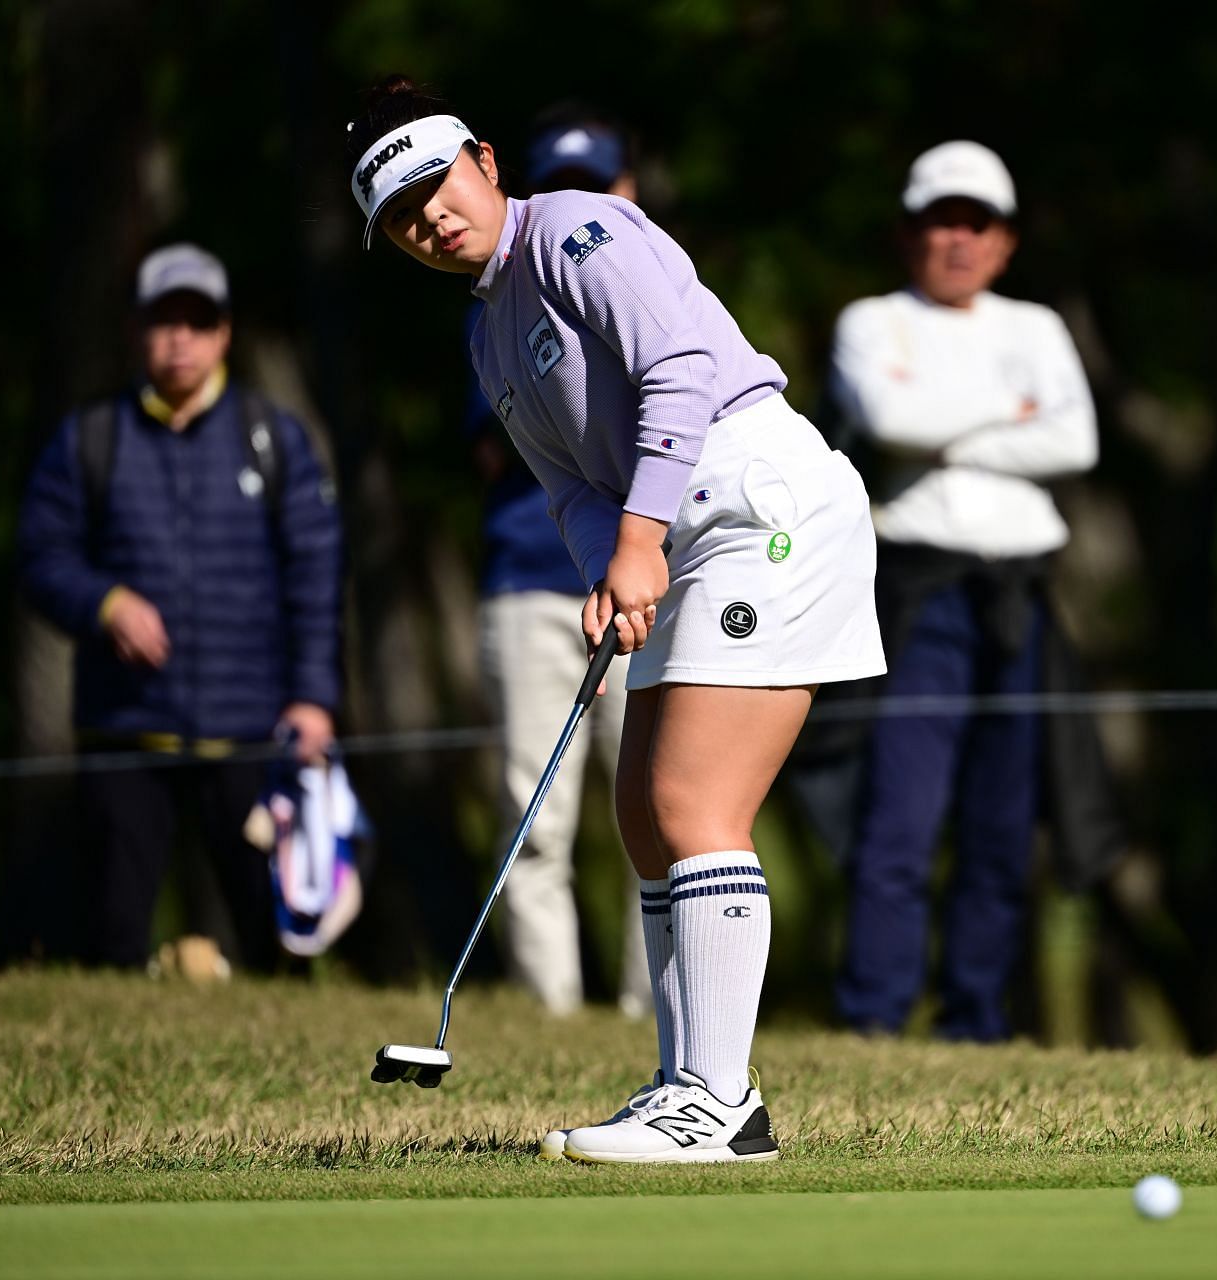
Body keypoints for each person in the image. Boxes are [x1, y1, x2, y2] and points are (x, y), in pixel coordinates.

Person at [345, 76, 883, 1163]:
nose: (430, 219)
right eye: (401, 216)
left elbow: (681, 371)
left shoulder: (575, 231)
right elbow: (570, 490)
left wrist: (638, 540)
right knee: (642, 816)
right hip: (681, 532)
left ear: (486, 162)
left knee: (691, 800)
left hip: (756, 502)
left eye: (437, 186)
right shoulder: (490, 335)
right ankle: (686, 1078)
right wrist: (608, 565)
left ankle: (720, 1104)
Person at [824, 141, 1099, 1042]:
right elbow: (889, 420)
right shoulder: (871, 322)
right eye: (941, 219)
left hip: (1022, 589)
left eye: (975, 222)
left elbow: (1078, 443)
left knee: (1004, 820)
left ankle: (975, 1020)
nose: (958, 239)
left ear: (1005, 241)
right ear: (909, 233)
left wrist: (946, 434)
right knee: (901, 815)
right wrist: (1011, 415)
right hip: (919, 593)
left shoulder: (1037, 327)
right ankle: (874, 1015)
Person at [17, 243, 342, 974]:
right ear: (137, 331)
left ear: (224, 333)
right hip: (126, 732)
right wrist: (104, 602)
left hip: (255, 735)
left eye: (197, 321)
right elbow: (41, 556)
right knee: (111, 945)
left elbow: (316, 577)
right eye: (164, 321)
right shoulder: (90, 439)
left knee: (279, 954)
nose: (180, 338)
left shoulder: (272, 438)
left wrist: (314, 699)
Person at [470, 106, 649, 1019]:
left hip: (652, 586)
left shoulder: (646, 285)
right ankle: (553, 1015)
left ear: (626, 195)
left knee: (657, 806)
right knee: (538, 820)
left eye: (594, 190)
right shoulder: (499, 314)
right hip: (535, 588)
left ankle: (653, 1011)